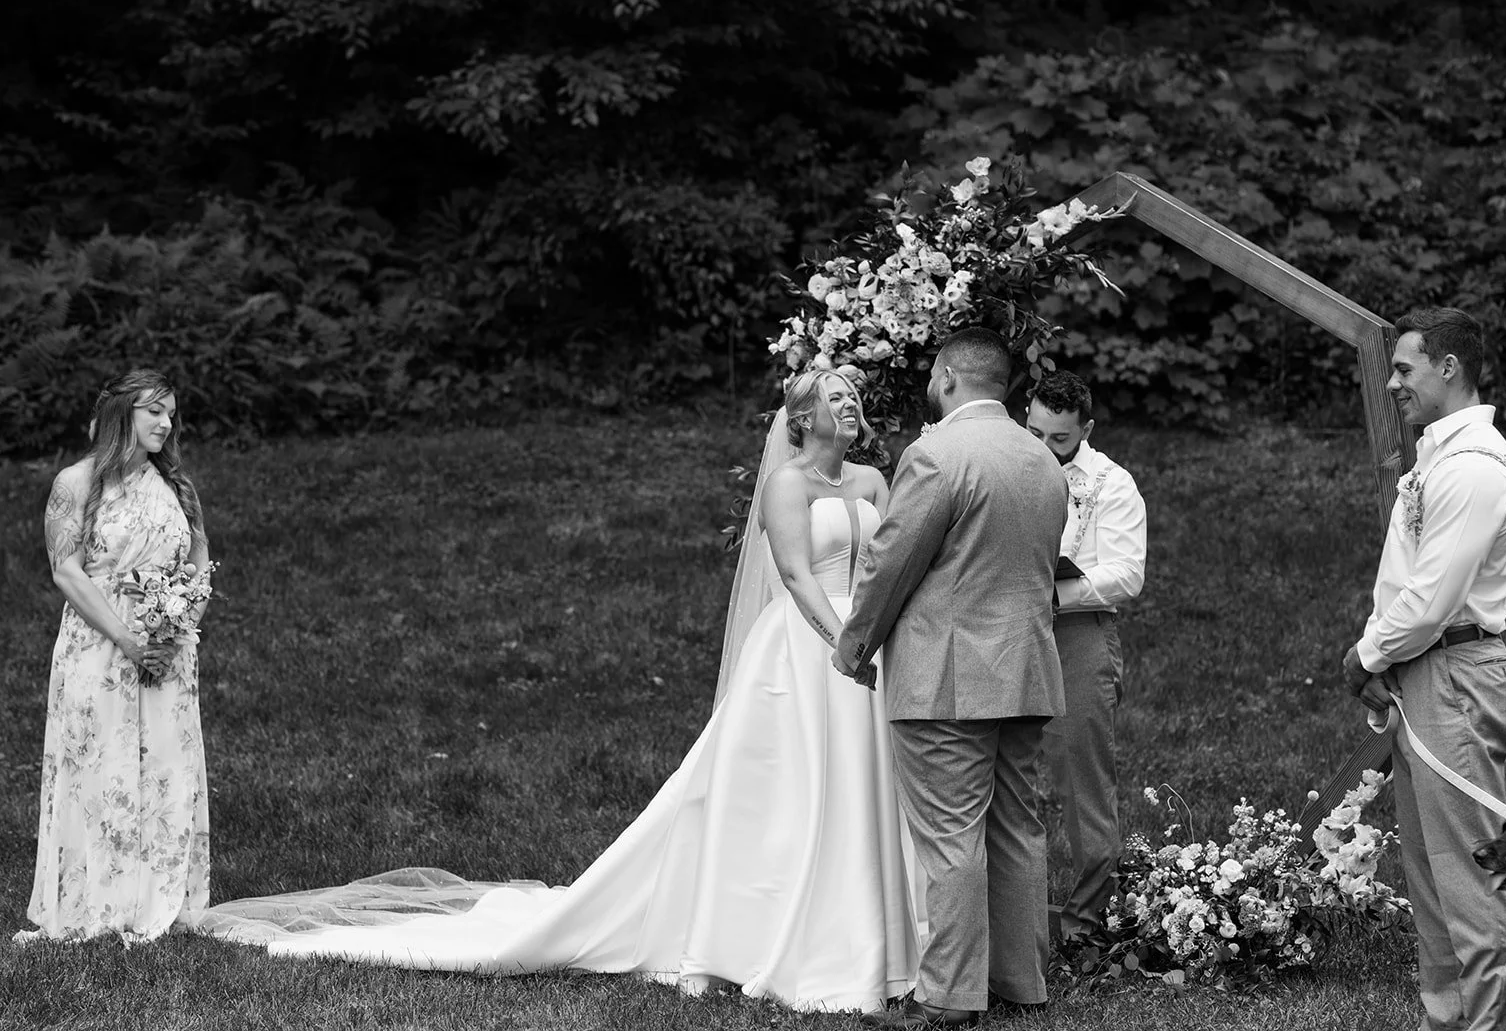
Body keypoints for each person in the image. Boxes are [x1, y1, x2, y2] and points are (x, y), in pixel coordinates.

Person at [201, 368, 922, 1014]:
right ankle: (775, 939)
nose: (851, 403)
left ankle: (873, 942)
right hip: (805, 651)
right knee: (790, 795)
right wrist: (845, 644)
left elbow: (886, 567)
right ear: (801, 417)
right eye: (836, 395)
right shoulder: (787, 484)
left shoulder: (871, 482)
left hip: (864, 651)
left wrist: (875, 640)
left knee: (863, 791)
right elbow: (796, 576)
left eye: (855, 395)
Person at [832, 327, 1070, 1029]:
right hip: (1027, 670)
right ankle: (1020, 981)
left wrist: (855, 644)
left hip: (947, 677)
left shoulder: (936, 454)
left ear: (944, 378)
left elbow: (891, 562)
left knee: (950, 835)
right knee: (1017, 827)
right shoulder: (1043, 459)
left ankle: (947, 995)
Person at [1341, 307, 1506, 1031]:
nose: (1392, 384)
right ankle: (1445, 1021)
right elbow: (1404, 582)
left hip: (1455, 672)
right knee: (1431, 880)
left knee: (1474, 878)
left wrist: (1365, 654)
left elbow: (1435, 595)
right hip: (1423, 669)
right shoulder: (1436, 458)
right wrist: (1381, 655)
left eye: (1405, 368)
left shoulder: (1476, 466)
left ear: (1450, 368)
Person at [17, 369, 213, 945]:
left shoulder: (177, 485)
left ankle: (164, 896)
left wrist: (178, 628)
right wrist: (128, 641)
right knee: (98, 768)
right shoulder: (75, 483)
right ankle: (98, 899)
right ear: (121, 413)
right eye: (155, 411)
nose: (166, 422)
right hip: (98, 648)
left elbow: (201, 560)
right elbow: (65, 570)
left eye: (171, 413)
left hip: (168, 651)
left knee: (168, 772)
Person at [1024, 369, 1146, 944]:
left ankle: (1087, 921)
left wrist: (1053, 591)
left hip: (1078, 634)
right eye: (1035, 432)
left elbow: (1126, 574)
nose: (1044, 450)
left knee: (1082, 776)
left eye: (1059, 440)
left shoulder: (1112, 483)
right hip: (1011, 632)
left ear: (1087, 429)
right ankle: (1015, 912)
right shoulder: (1011, 466)